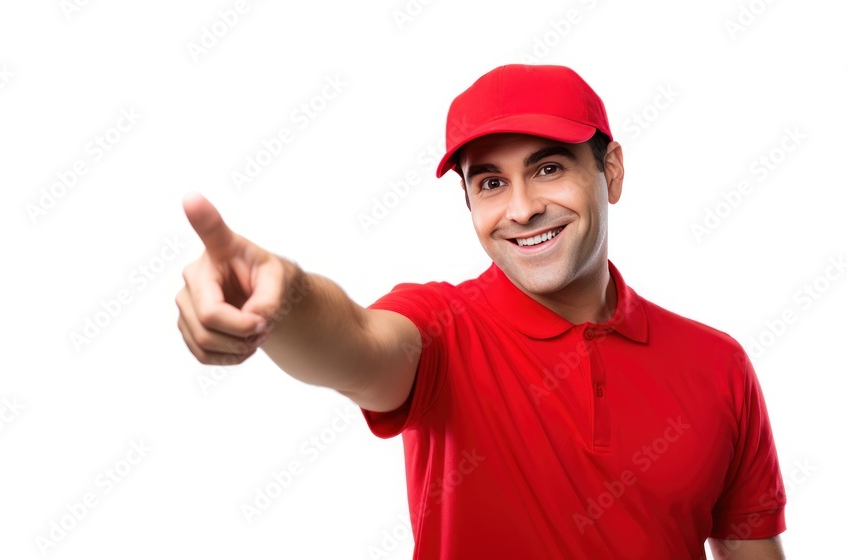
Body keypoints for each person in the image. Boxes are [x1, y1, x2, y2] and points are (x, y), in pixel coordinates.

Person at [175, 64, 787, 559]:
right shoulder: (442, 327)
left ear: (611, 171)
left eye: (548, 168)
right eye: (491, 183)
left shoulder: (718, 365)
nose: (521, 209)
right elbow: (358, 341)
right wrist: (283, 298)